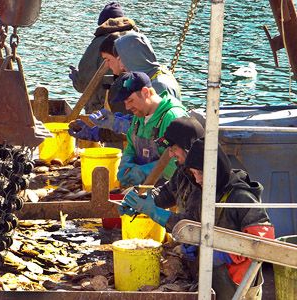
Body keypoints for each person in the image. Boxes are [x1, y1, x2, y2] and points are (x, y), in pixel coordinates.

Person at [184, 138, 275, 300]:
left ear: (216, 170)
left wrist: (227, 253)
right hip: (215, 279)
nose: (197, 179)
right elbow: (196, 224)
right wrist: (191, 242)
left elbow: (264, 239)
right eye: (194, 173)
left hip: (240, 284)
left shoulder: (241, 196)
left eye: (201, 173)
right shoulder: (203, 193)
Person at [118, 116, 204, 232]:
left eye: (173, 148)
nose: (171, 154)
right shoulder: (184, 170)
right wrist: (141, 202)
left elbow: (193, 225)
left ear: (188, 148)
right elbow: (168, 192)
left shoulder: (204, 178)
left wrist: (153, 211)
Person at [113, 71, 187, 187]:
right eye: (125, 102)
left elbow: (179, 162)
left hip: (168, 191)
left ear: (145, 92)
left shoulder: (173, 117)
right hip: (143, 188)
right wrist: (126, 162)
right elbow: (131, 146)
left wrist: (143, 172)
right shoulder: (139, 116)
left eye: (130, 101)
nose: (127, 107)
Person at [69, 2, 137, 113]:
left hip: (100, 110)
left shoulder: (98, 44)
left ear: (103, 24)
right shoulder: (137, 39)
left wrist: (76, 79)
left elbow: (84, 86)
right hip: (134, 110)